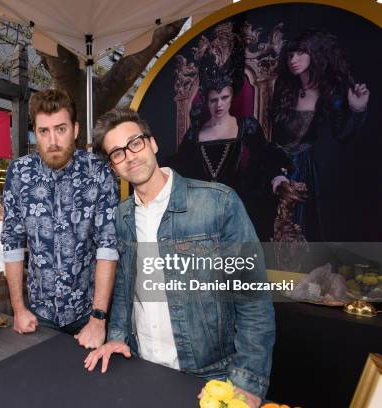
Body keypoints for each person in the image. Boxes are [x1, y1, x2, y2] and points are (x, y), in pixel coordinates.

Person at [85, 108, 275, 408]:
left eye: (135, 143)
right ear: (113, 166)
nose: (130, 156)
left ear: (153, 143)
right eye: (117, 153)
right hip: (142, 368)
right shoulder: (121, 217)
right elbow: (124, 288)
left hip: (210, 378)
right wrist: (118, 336)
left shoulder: (219, 204)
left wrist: (247, 381)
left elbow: (253, 301)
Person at [0, 89, 119, 348]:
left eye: (61, 129)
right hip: (38, 315)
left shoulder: (98, 172)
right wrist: (19, 310)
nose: (53, 140)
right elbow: (12, 244)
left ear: (75, 130)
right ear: (35, 133)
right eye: (44, 131)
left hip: (88, 314)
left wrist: (98, 319)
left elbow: (107, 247)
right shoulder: (19, 173)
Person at [166, 36, 291, 241]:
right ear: (206, 102)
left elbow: (266, 160)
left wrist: (278, 179)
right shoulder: (194, 134)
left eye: (224, 98)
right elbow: (180, 170)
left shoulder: (247, 127)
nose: (219, 105)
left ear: (232, 97)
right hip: (203, 211)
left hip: (241, 206)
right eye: (213, 100)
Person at [270, 29, 370, 241]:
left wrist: (356, 109)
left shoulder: (331, 92)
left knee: (308, 231)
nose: (293, 60)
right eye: (289, 55)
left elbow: (343, 135)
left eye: (300, 53)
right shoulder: (285, 89)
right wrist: (275, 171)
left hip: (309, 172)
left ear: (315, 54)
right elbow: (274, 138)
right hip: (279, 166)